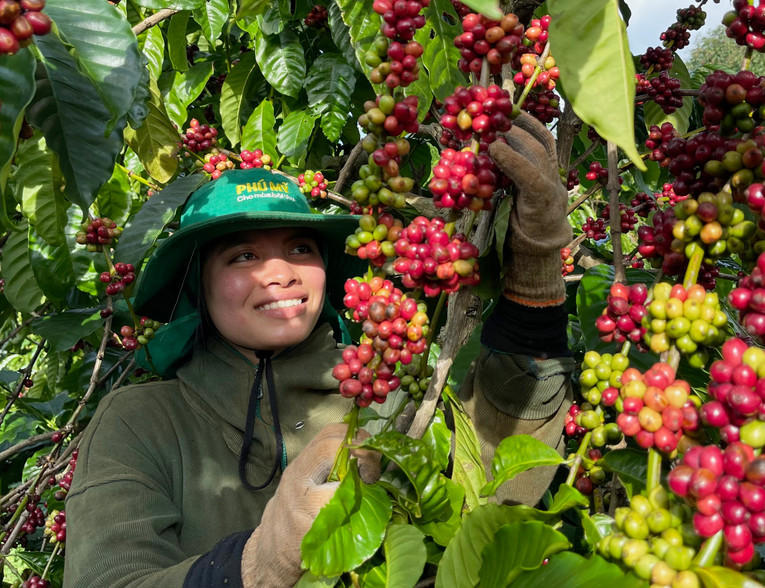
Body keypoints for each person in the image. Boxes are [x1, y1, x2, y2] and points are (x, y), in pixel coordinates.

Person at [63, 114, 577, 588]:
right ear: (201, 286)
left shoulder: (386, 396)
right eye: (244, 255)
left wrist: (533, 283)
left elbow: (489, 487)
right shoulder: (140, 422)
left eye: (300, 249)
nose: (281, 273)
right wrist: (256, 563)